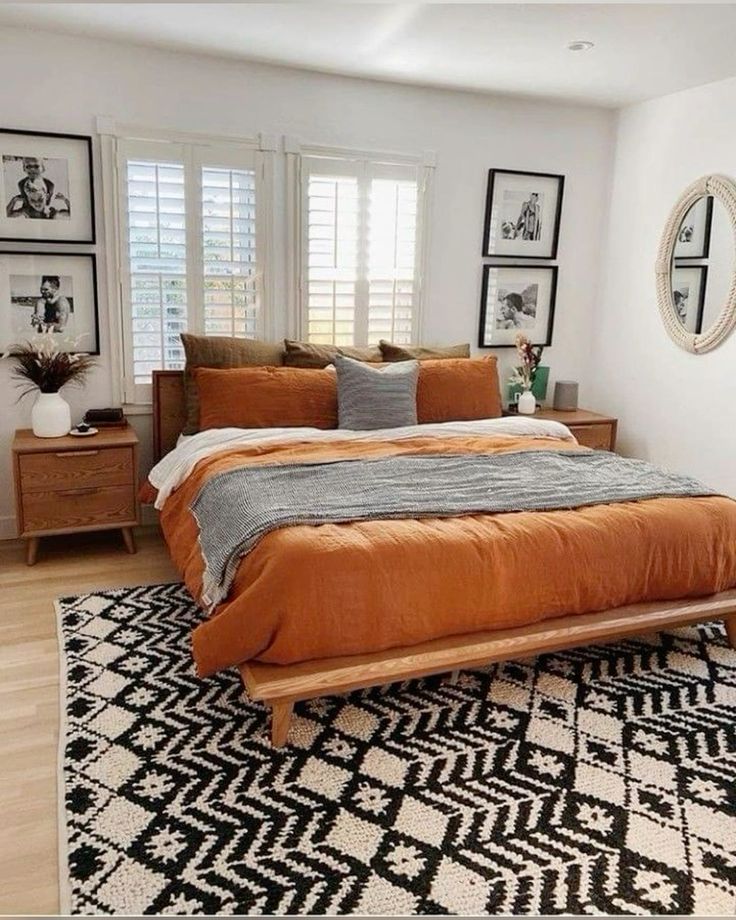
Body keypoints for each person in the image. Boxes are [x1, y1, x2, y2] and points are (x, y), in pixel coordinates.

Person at [6, 157, 70, 219]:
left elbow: (47, 201)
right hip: (29, 210)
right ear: (24, 168)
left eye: (36, 166)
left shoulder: (50, 184)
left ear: (43, 168)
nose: (32, 169)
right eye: (28, 166)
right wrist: (15, 201)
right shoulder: (21, 184)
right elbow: (26, 200)